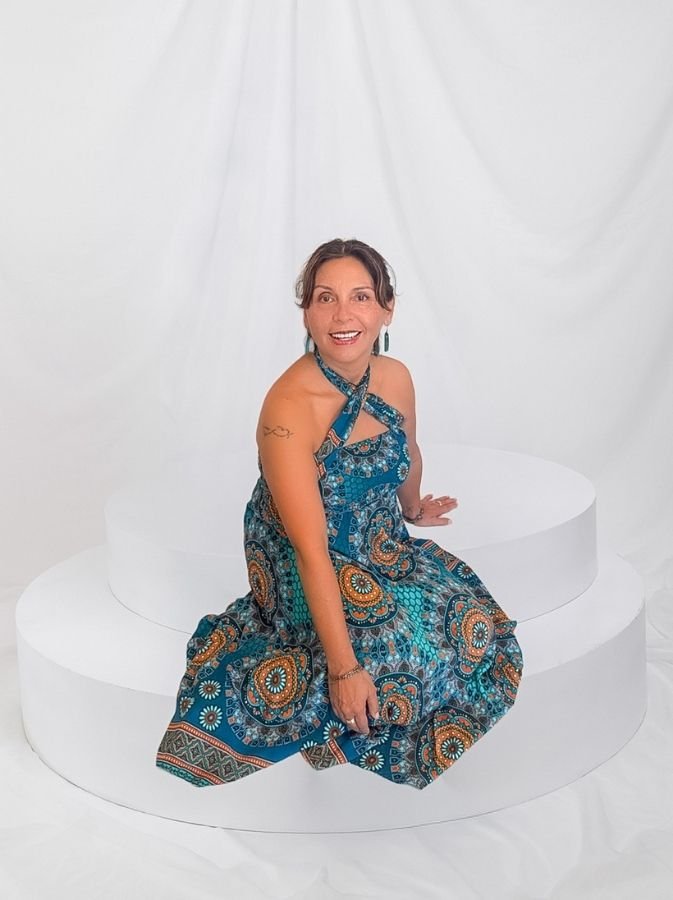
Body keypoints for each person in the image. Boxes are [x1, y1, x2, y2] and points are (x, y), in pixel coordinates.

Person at [155, 237, 523, 789]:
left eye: (360, 297)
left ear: (386, 309)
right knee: (388, 658)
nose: (343, 315)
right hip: (301, 551)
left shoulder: (396, 377)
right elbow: (310, 550)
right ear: (306, 311)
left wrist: (413, 507)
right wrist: (344, 670)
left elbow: (407, 450)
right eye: (325, 298)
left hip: (376, 538)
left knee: (464, 625)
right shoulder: (287, 408)